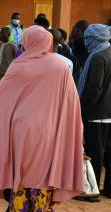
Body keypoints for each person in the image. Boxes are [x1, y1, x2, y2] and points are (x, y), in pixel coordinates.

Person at [0, 25, 84, 211]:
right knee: (43, 176)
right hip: (49, 133)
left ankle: (20, 206)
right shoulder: (60, 66)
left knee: (22, 176)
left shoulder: (20, 65)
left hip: (21, 131)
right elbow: (72, 103)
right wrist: (77, 131)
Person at [78, 24, 111, 200]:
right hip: (108, 113)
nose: (85, 41)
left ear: (95, 39)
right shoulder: (108, 52)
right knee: (109, 155)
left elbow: (94, 89)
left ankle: (92, 191)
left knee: (95, 154)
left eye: (88, 38)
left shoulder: (98, 56)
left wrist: (83, 109)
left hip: (97, 114)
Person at [70, 20, 89, 84]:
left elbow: (74, 55)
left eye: (75, 28)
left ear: (78, 30)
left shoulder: (78, 40)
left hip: (80, 68)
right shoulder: (88, 39)